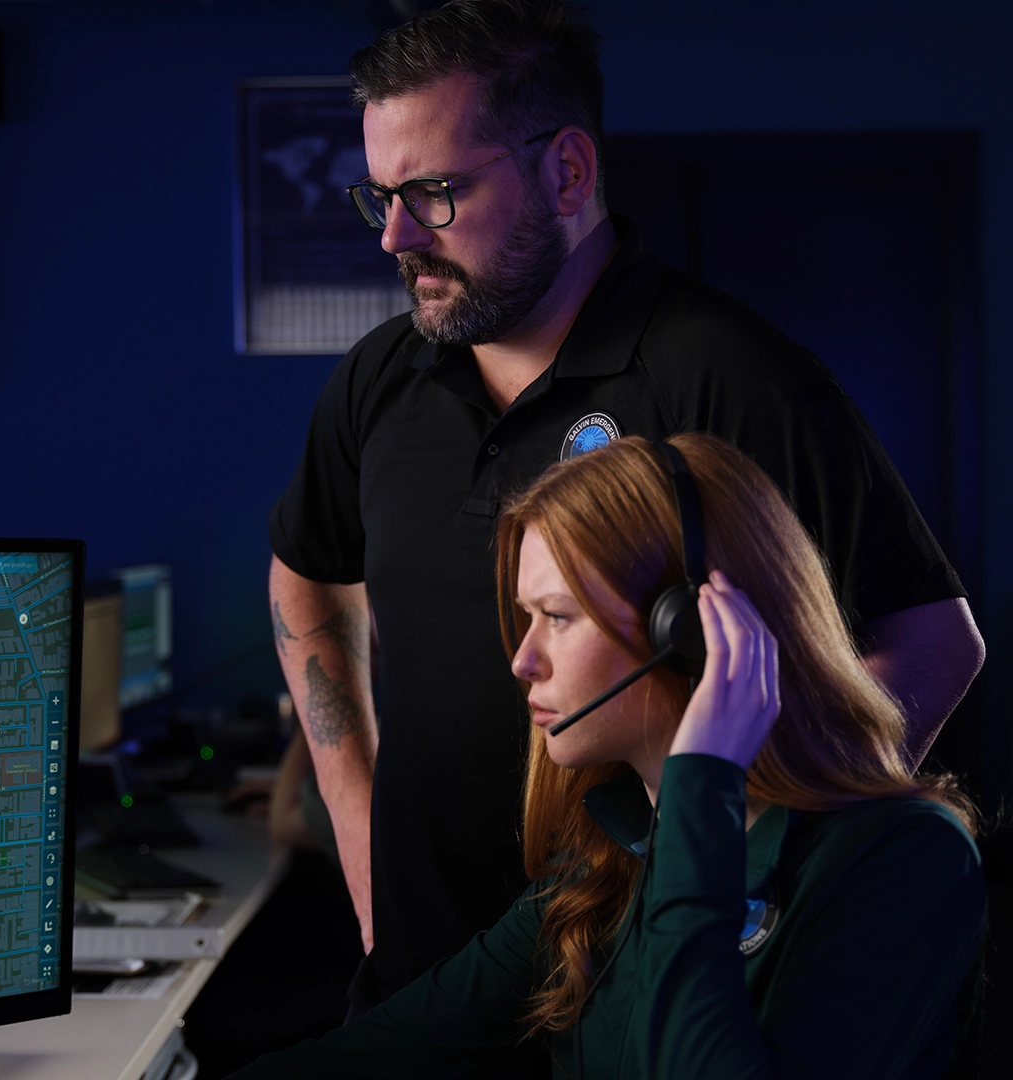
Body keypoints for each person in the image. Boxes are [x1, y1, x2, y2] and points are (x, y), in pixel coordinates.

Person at [267, 0, 984, 1014]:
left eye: (433, 193)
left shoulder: (733, 380)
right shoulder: (380, 377)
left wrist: (737, 877)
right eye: (375, 195)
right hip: (422, 986)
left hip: (634, 998)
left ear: (566, 170)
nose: (393, 236)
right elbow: (305, 572)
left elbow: (931, 642)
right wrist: (353, 822)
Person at [241, 434, 985, 1079]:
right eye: (528, 618)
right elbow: (392, 1050)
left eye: (558, 617)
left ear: (687, 632)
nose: (523, 661)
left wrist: (703, 786)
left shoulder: (902, 860)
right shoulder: (614, 849)